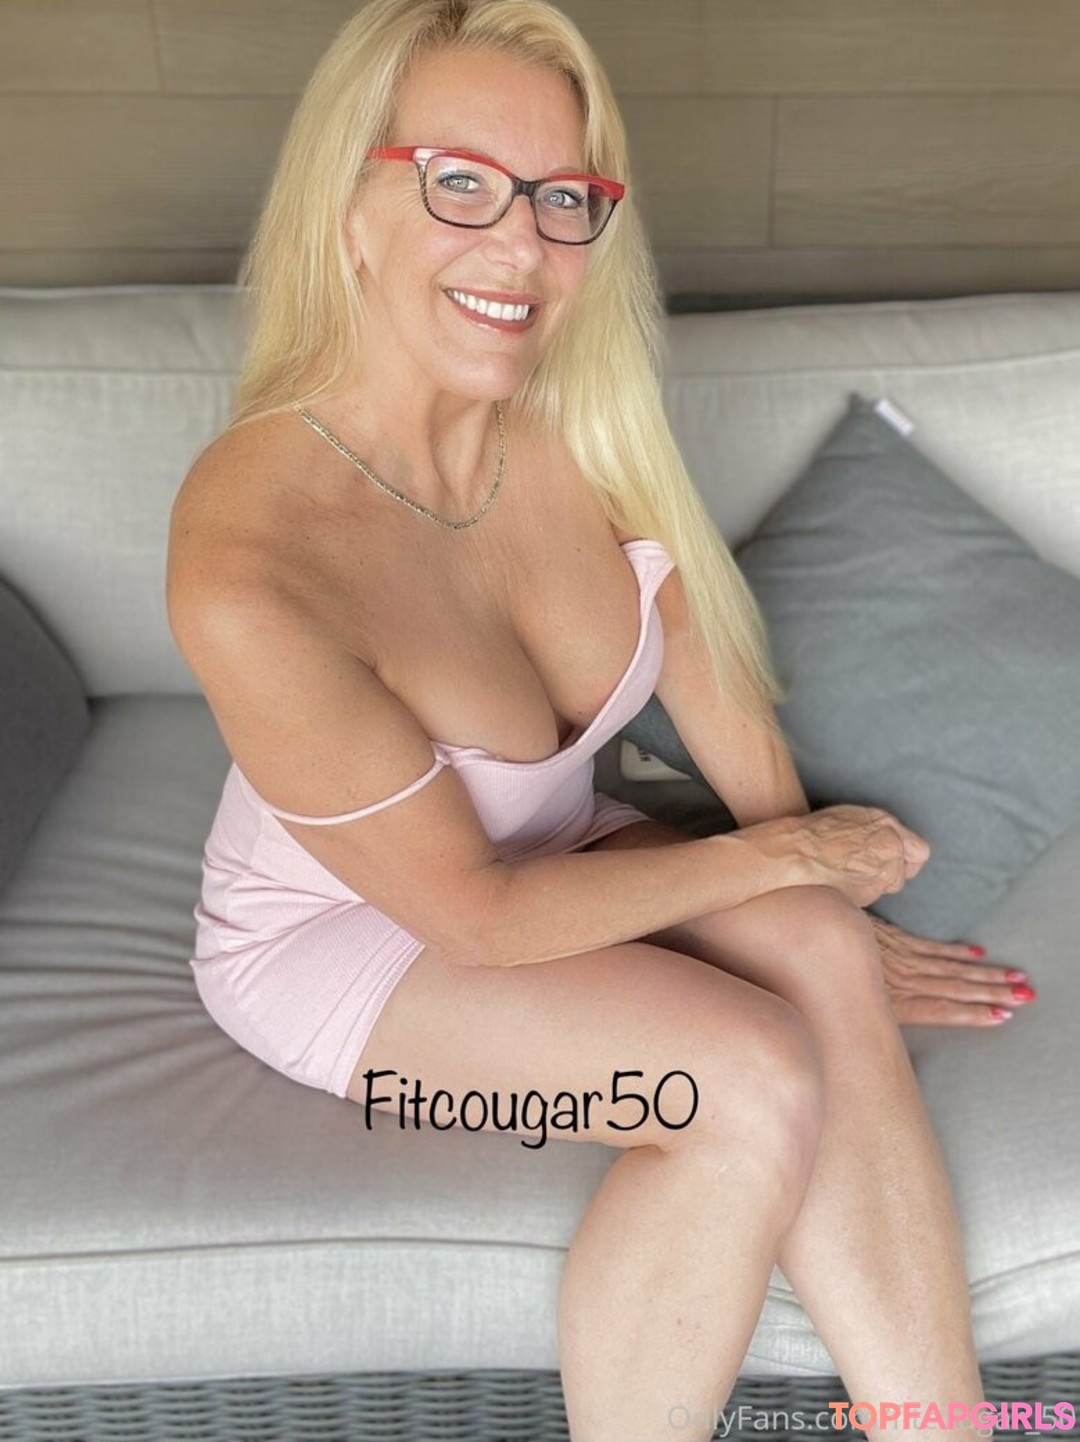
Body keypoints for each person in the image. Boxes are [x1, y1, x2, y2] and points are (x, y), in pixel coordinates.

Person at [166, 2, 1020, 1437]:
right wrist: (787, 856)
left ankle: (942, 1426)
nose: (521, 246)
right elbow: (477, 918)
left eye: (562, 198)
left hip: (547, 860)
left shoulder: (579, 419)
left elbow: (714, 687)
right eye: (461, 182)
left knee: (820, 951)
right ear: (349, 211)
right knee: (743, 1075)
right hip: (353, 939)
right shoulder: (254, 559)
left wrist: (814, 904)